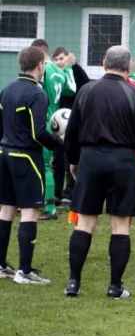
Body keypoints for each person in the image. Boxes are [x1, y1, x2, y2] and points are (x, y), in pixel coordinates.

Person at [63, 46, 135, 298]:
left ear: (104, 62)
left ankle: (73, 283)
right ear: (128, 68)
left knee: (84, 223)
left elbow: (71, 132)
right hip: (123, 162)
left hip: (91, 160)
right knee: (120, 226)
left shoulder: (86, 91)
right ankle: (115, 287)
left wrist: (74, 161)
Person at [0, 46, 63, 284]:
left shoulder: (5, 90)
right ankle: (24, 272)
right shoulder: (37, 94)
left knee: (6, 209)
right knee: (30, 211)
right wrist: (59, 144)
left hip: (4, 154)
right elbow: (39, 133)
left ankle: (1, 265)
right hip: (26, 158)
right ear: (40, 66)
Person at [30, 39, 76, 221]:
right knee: (47, 164)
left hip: (42, 119)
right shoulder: (60, 71)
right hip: (55, 122)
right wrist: (69, 69)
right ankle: (40, 201)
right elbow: (71, 89)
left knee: (44, 165)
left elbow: (35, 90)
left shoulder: (44, 70)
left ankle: (49, 208)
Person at [53, 47, 90, 208]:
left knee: (71, 160)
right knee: (57, 161)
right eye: (57, 59)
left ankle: (69, 194)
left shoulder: (74, 74)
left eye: (62, 58)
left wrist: (75, 66)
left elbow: (86, 84)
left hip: (73, 126)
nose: (60, 62)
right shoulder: (54, 77)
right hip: (56, 126)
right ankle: (56, 194)